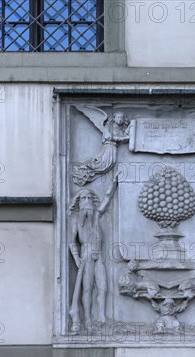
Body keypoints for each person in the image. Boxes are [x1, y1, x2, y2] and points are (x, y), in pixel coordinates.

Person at [68, 174, 119, 331]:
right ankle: (88, 319)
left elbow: (106, 199)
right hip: (87, 253)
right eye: (83, 198)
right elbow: (71, 241)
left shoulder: (96, 214)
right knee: (88, 287)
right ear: (79, 201)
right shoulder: (76, 218)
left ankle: (101, 318)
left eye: (89, 197)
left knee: (103, 287)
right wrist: (76, 258)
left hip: (99, 254)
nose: (87, 200)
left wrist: (114, 182)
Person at [72, 112, 130, 186]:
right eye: (118, 117)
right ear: (114, 118)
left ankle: (86, 174)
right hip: (109, 147)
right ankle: (83, 172)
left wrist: (127, 134)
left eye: (121, 118)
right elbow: (109, 137)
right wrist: (123, 138)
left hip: (114, 148)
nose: (120, 119)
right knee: (102, 165)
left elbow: (125, 139)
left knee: (108, 166)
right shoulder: (108, 126)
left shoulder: (123, 129)